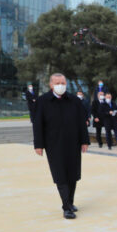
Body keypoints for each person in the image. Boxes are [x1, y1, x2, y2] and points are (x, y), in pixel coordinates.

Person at [33, 73, 90, 219]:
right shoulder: (42, 101)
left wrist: (85, 141)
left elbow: (81, 122)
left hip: (73, 143)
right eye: (57, 83)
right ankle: (66, 207)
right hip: (54, 145)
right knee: (60, 175)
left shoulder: (74, 100)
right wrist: (38, 145)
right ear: (51, 85)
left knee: (73, 174)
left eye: (63, 82)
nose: (61, 85)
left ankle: (70, 202)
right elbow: (38, 124)